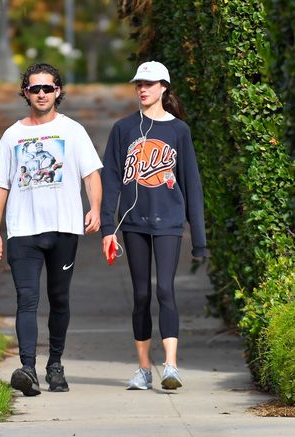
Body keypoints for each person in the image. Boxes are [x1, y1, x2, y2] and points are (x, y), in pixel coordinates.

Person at [0, 63, 103, 396]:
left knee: (59, 299)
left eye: (48, 88)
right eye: (35, 88)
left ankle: (55, 364)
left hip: (64, 228)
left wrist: (94, 208)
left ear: (58, 91)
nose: (41, 93)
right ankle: (27, 369)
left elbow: (91, 174)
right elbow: (0, 185)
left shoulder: (73, 131)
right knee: (26, 300)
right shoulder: (13, 135)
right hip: (22, 231)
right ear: (25, 92)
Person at [101, 61, 206, 391]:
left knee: (165, 290)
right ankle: (144, 369)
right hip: (133, 224)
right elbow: (112, 180)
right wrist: (108, 228)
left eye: (149, 83)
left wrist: (199, 238)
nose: (142, 89)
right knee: (142, 294)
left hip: (169, 223)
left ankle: (170, 366)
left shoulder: (179, 131)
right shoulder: (123, 129)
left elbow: (191, 183)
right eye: (138, 84)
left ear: (164, 88)